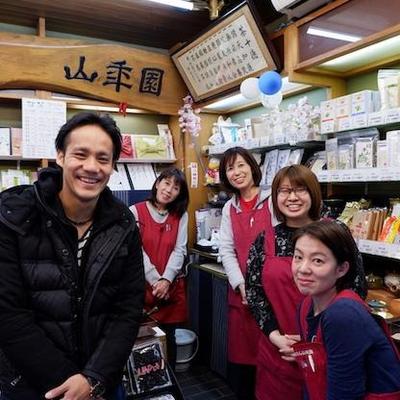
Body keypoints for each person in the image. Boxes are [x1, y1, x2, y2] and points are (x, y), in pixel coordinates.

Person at [0, 112, 145, 400]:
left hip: (100, 381)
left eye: (103, 159)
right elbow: (8, 313)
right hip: (32, 383)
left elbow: (127, 310)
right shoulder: (15, 215)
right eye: (81, 154)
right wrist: (68, 383)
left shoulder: (123, 224)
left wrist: (93, 379)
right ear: (60, 156)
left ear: (112, 166)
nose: (91, 167)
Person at [292, 220, 400, 400]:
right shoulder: (306, 306)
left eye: (317, 260)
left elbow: (344, 395)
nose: (302, 269)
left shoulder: (343, 314)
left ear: (341, 269)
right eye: (298, 257)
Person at [246, 165, 325, 400]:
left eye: (300, 189)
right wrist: (275, 336)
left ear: (313, 193)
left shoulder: (333, 234)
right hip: (278, 351)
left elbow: (354, 288)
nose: (292, 197)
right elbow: (254, 293)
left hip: (325, 348)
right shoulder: (264, 240)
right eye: (284, 191)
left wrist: (314, 340)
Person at [219, 147, 274, 399]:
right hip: (241, 296)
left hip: (271, 295)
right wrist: (240, 284)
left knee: (271, 360)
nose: (236, 172)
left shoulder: (272, 200)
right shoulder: (229, 208)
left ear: (252, 167)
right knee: (243, 367)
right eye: (230, 168)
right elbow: (226, 249)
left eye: (241, 165)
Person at [130, 167, 189, 369]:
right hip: (143, 290)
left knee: (169, 342)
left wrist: (166, 280)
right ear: (157, 183)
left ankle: (171, 384)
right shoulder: (135, 211)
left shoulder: (181, 215)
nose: (169, 190)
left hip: (170, 290)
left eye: (176, 187)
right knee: (143, 344)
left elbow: (180, 250)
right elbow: (136, 251)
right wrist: (157, 281)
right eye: (166, 183)